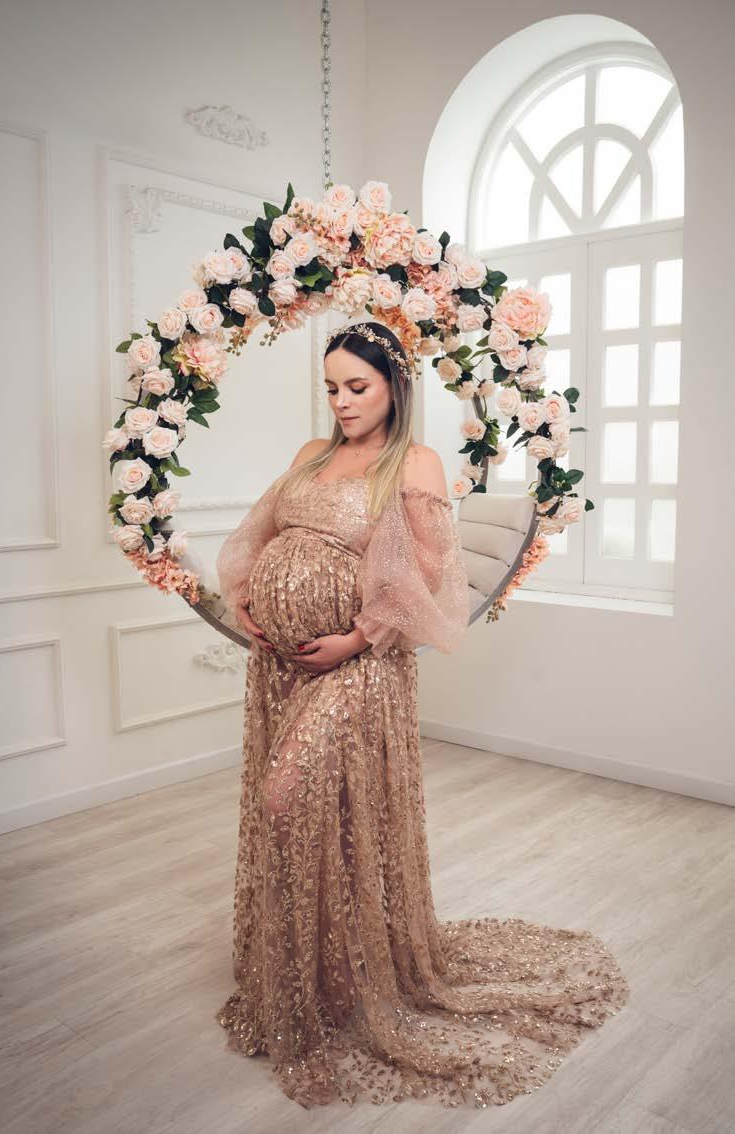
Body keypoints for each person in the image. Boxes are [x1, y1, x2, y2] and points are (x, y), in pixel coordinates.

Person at [215, 320, 629, 1110]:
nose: (342, 402)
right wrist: (250, 602)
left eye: (357, 386)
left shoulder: (416, 464)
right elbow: (259, 536)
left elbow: (428, 582)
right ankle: (318, 978)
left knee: (287, 794)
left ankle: (363, 973)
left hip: (360, 667)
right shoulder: (311, 455)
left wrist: (355, 638)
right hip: (280, 664)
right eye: (331, 387)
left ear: (394, 386)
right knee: (311, 815)